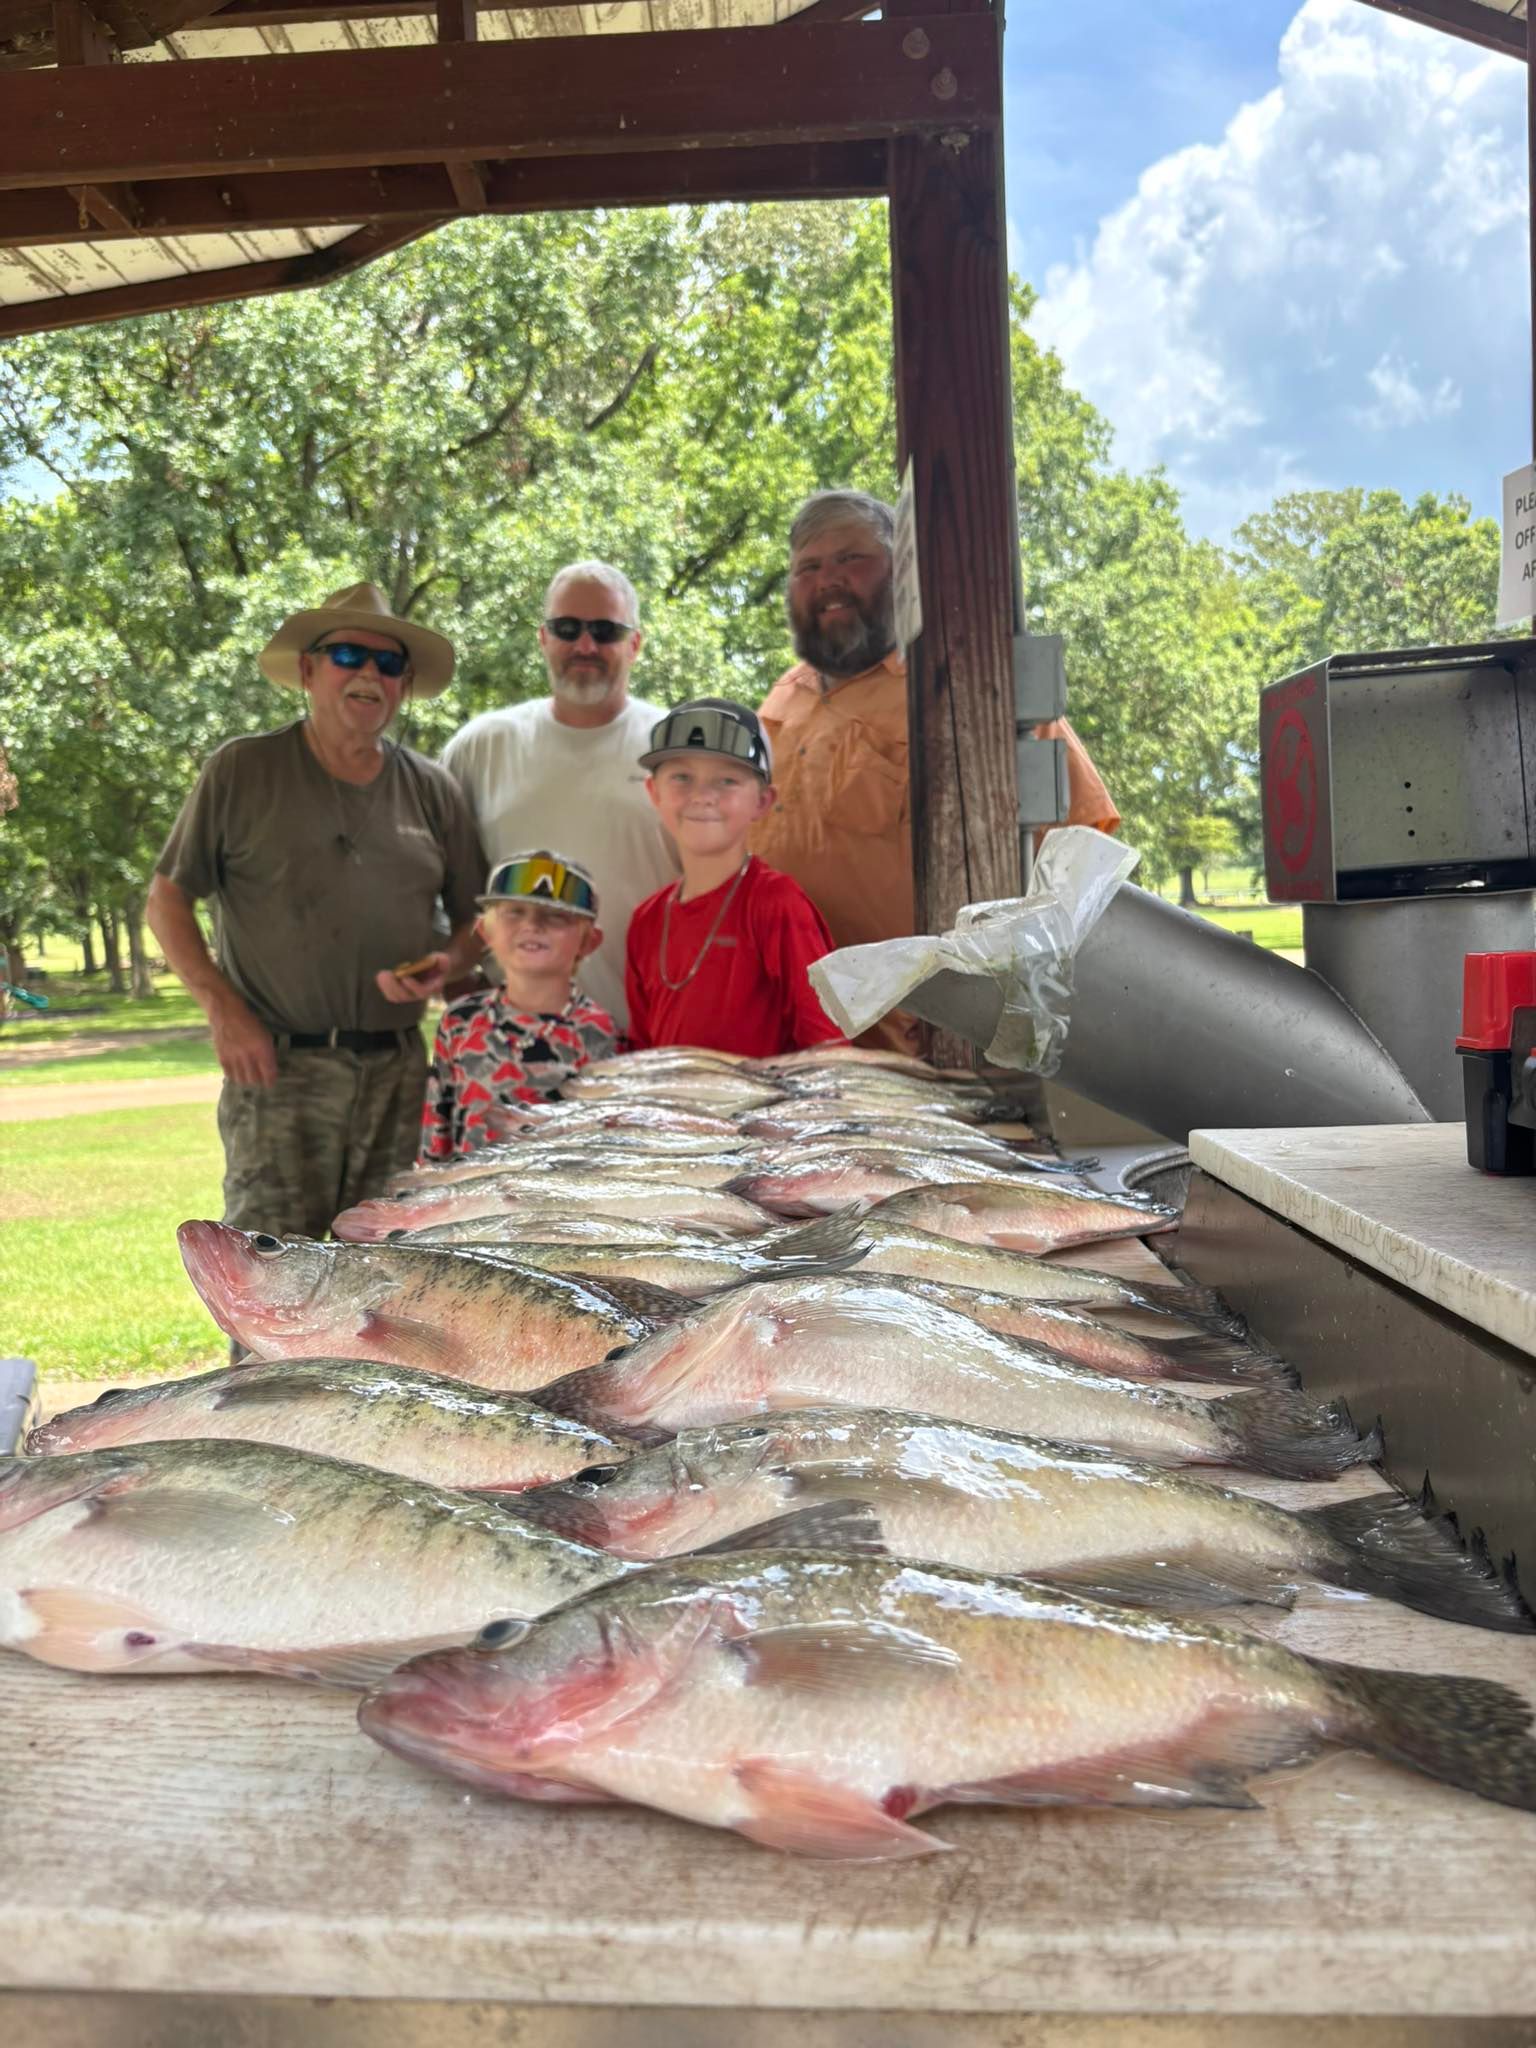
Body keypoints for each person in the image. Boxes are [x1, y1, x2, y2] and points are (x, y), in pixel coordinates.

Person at [147, 581, 486, 1241]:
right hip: (278, 1070)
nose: (369, 674)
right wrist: (224, 1011)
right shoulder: (242, 770)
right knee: (273, 1277)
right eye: (348, 655)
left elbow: (477, 923)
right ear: (308, 669)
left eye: (389, 664)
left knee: (389, 1275)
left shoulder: (433, 789)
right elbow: (166, 900)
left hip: (398, 1075)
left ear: (403, 684)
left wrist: (448, 962)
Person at [751, 489, 1120, 1049]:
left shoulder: (966, 685)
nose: (828, 578)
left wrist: (1025, 1017)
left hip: (932, 1055)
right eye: (808, 566)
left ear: (901, 572)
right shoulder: (781, 699)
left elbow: (1086, 872)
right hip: (793, 1054)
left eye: (851, 558)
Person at [440, 559, 677, 1032]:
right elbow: (435, 883)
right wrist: (459, 984)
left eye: (605, 630)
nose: (585, 645)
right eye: (567, 628)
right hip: (513, 1047)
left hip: (647, 1044)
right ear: (543, 638)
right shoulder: (480, 746)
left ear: (634, 644)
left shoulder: (675, 748)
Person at [625, 697, 843, 1059]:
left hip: (761, 1113)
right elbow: (642, 1056)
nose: (702, 796)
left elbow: (830, 1051)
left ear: (762, 801)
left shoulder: (777, 903)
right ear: (654, 792)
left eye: (727, 780)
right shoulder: (645, 921)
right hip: (669, 1112)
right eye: (681, 777)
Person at [419, 851, 616, 1160]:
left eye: (556, 915)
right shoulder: (459, 1021)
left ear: (589, 941)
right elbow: (436, 1131)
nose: (532, 924)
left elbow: (605, 1145)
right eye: (514, 912)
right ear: (486, 931)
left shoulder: (602, 1031)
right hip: (467, 1203)